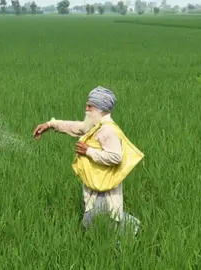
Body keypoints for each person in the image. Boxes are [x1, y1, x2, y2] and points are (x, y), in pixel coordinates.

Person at [33, 86, 143, 236]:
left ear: (101, 108)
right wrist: (51, 125)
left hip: (104, 189)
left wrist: (88, 151)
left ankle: (129, 235)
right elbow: (78, 127)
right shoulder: (96, 127)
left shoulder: (107, 130)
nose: (86, 109)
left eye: (90, 106)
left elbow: (116, 157)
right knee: (102, 221)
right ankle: (133, 230)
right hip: (96, 185)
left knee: (95, 223)